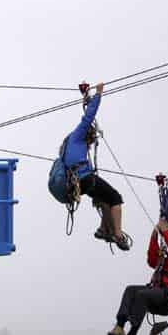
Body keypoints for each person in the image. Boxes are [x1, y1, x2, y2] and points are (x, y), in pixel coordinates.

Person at [60, 81, 129, 250]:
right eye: (90, 140)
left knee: (104, 200)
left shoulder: (68, 148)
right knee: (115, 198)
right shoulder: (78, 134)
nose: (90, 144)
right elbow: (88, 116)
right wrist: (98, 94)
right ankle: (118, 235)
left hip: (76, 183)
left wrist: (86, 97)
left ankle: (103, 229)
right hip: (84, 179)